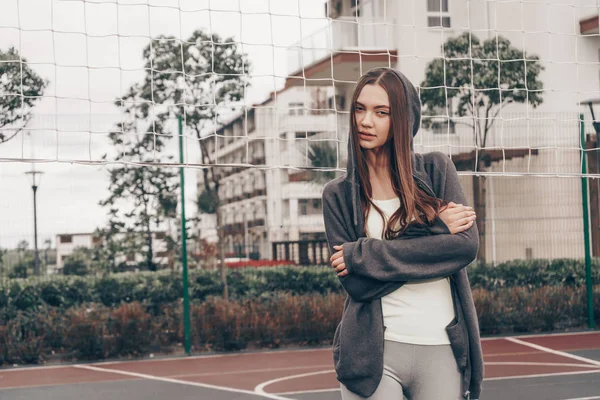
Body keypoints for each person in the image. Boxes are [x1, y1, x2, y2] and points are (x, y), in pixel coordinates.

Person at [321, 67, 483, 400]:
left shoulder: (437, 170)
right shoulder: (338, 195)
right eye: (360, 109)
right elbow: (358, 284)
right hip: (373, 355)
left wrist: (362, 255)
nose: (366, 121)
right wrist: (436, 231)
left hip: (440, 345)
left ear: (404, 120)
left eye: (381, 112)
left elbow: (464, 248)